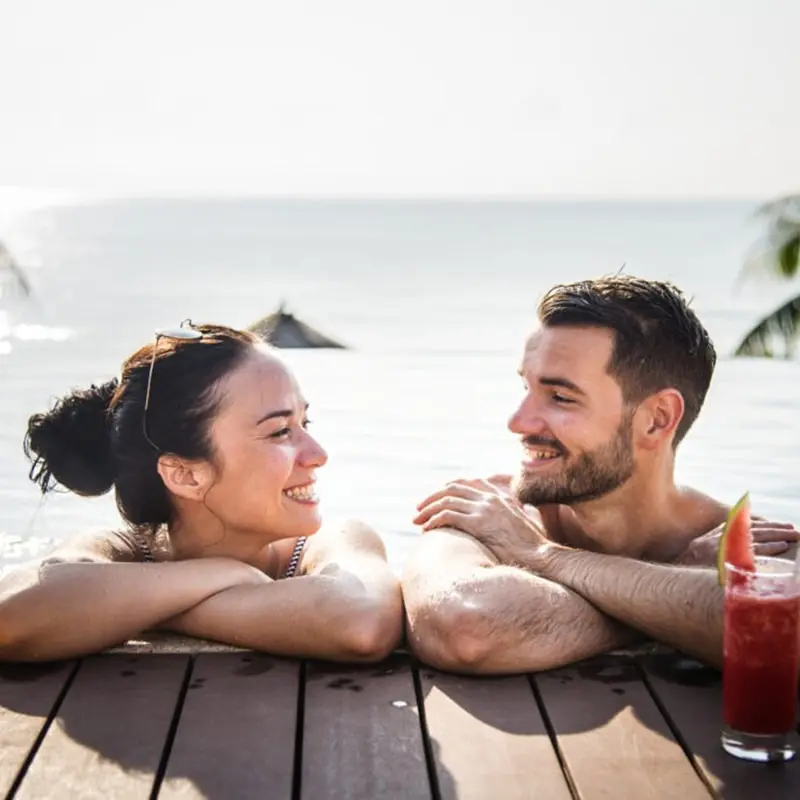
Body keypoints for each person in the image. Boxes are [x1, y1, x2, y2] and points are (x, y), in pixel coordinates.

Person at [402, 276, 799, 674]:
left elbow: (783, 636)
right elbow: (467, 627)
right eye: (525, 387)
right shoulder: (483, 512)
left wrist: (542, 558)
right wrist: (677, 585)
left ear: (656, 420)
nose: (517, 422)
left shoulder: (753, 545)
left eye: (560, 397)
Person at [0, 322, 402, 663]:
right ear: (185, 476)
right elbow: (11, 615)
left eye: (304, 422)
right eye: (280, 431)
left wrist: (161, 607)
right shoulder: (119, 550)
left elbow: (361, 623)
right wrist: (223, 574)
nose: (318, 455)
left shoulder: (332, 544)